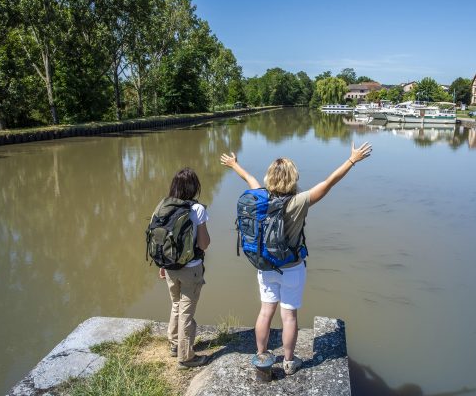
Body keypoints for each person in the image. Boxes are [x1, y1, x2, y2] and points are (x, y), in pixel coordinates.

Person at [220, 141, 372, 375]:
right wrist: (352, 160)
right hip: (292, 267)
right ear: (293, 178)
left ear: (270, 176)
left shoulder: (260, 198)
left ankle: (262, 355)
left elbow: (249, 179)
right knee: (289, 316)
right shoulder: (299, 202)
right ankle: (289, 362)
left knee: (265, 311)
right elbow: (329, 182)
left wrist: (234, 165)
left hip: (265, 265)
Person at [158, 167, 210, 369]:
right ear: (195, 187)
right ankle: (186, 357)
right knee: (187, 311)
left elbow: (160, 240)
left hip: (170, 266)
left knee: (176, 305)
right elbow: (204, 244)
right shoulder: (197, 210)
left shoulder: (164, 205)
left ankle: (173, 344)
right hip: (191, 269)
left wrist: (162, 264)